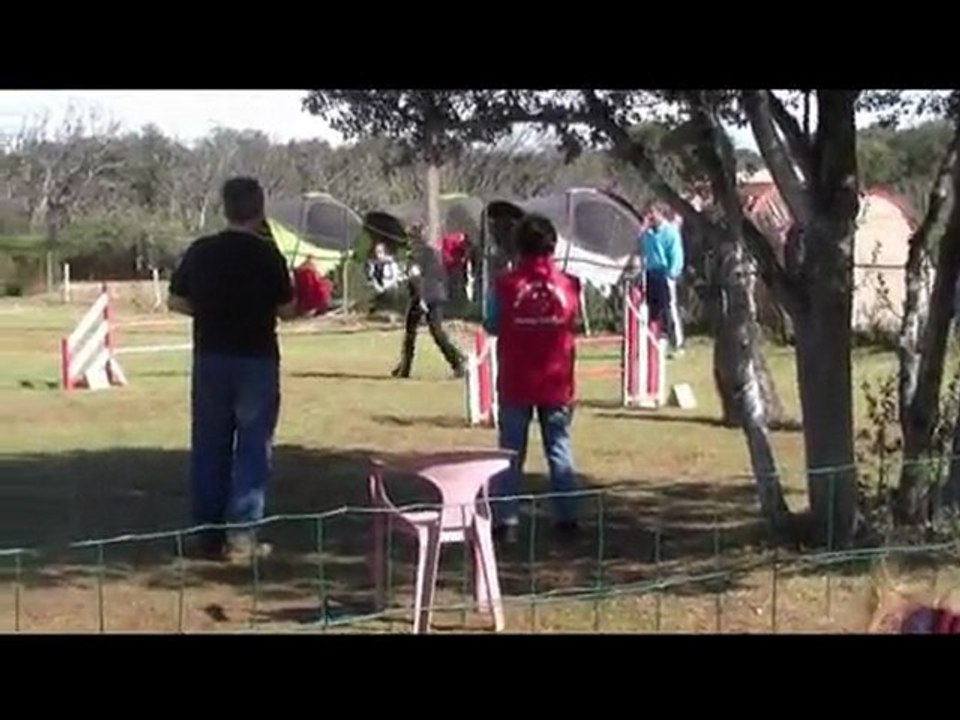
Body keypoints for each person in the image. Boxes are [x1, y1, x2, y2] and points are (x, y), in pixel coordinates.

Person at [168, 177, 299, 562]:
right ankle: (242, 533)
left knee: (209, 443)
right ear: (260, 210)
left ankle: (206, 532)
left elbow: (176, 300)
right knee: (253, 446)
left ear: (225, 208)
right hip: (256, 359)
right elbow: (287, 310)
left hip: (211, 357)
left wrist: (206, 310)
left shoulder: (201, 251)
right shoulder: (267, 255)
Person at [483, 213, 581, 544]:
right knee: (559, 448)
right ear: (552, 245)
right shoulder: (569, 285)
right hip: (557, 382)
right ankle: (567, 517)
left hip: (516, 380)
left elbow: (491, 324)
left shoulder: (504, 285)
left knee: (510, 453)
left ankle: (506, 520)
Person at [392, 223, 466, 379]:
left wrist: (421, 299)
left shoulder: (414, 255)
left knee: (420, 333)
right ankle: (405, 366)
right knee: (427, 331)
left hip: (423, 296)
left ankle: (458, 361)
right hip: (436, 294)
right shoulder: (432, 252)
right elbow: (439, 274)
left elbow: (416, 278)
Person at [637, 204, 685, 356]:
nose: (650, 216)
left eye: (653, 213)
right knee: (653, 309)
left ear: (660, 214)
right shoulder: (648, 234)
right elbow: (639, 247)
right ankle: (657, 340)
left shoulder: (670, 232)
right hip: (651, 273)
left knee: (669, 308)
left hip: (665, 273)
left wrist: (672, 273)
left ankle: (677, 344)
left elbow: (676, 254)